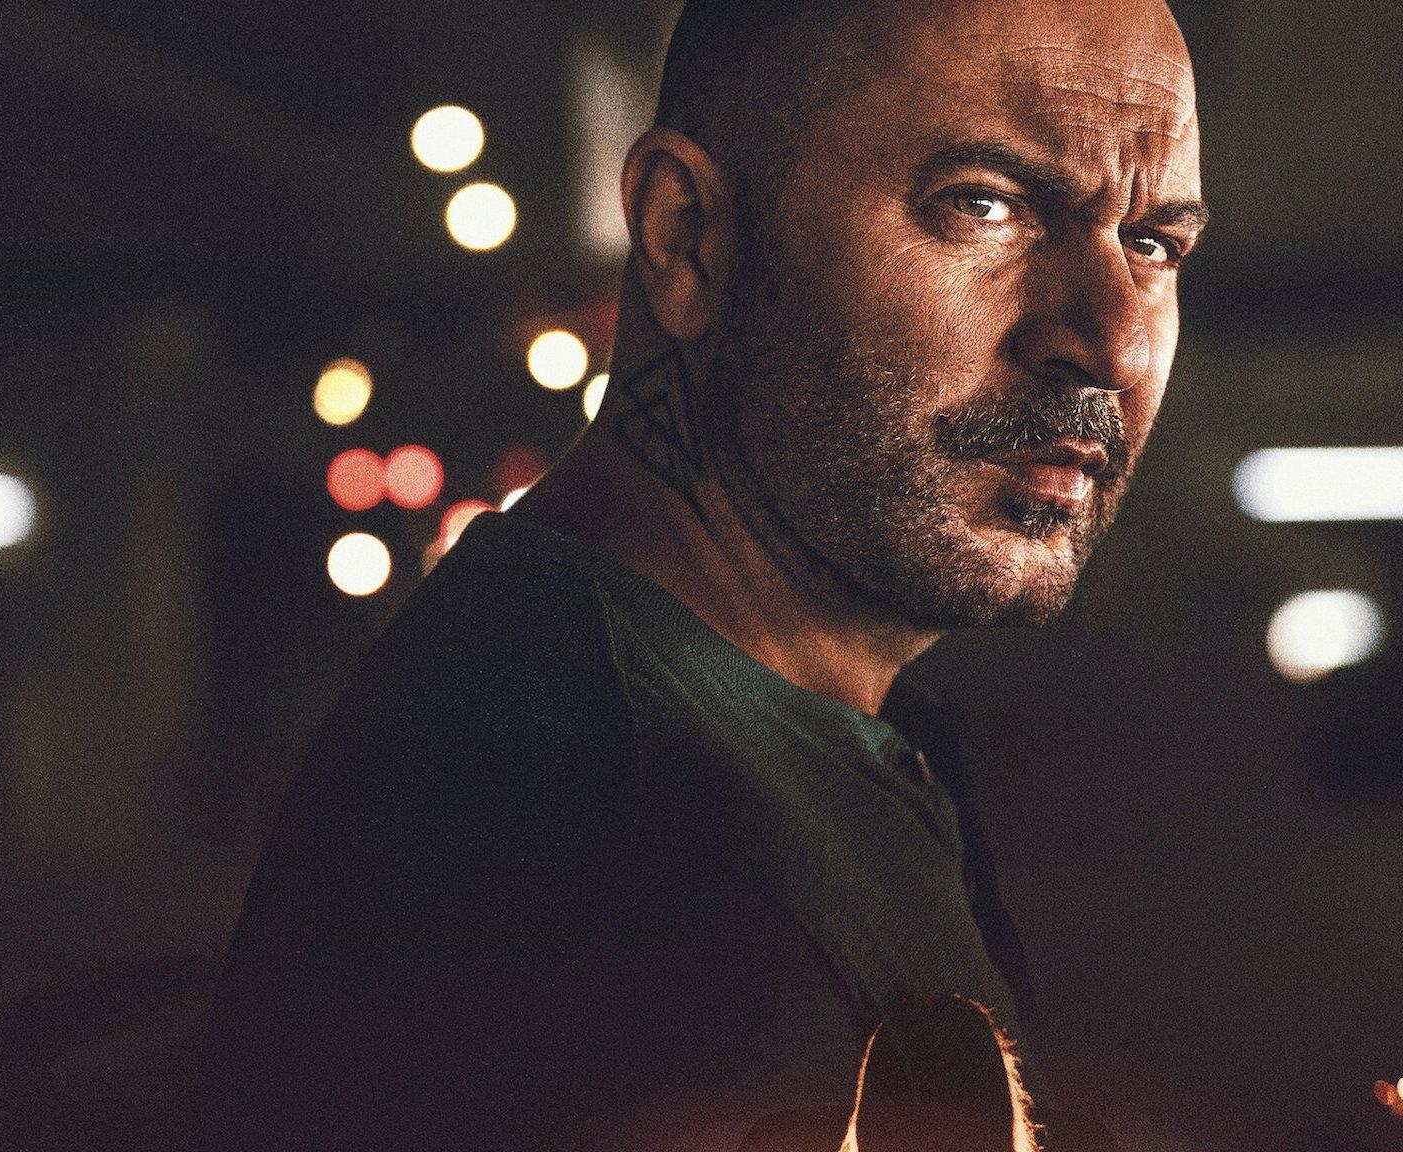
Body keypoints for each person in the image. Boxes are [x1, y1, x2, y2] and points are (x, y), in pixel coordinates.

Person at [194, 0, 1204, 1147]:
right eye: (983, 205)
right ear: (688, 236)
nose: (1112, 342)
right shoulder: (598, 840)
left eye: (1152, 244)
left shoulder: (723, 732)